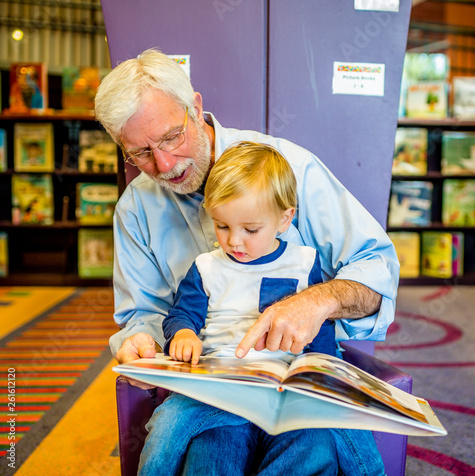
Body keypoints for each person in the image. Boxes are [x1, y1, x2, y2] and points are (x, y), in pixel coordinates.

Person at [94, 48, 399, 475]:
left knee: (316, 450)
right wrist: (141, 342)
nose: (163, 164)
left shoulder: (289, 168)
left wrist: (316, 302)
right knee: (205, 451)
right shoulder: (136, 210)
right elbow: (143, 316)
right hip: (210, 387)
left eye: (170, 138)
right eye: (140, 153)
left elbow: (377, 270)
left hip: (293, 383)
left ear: (195, 108)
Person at [154, 141, 339, 474]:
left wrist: (326, 370)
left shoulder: (302, 263)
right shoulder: (206, 267)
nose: (234, 241)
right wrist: (182, 334)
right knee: (201, 445)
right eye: (222, 226)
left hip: (283, 391)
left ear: (285, 219)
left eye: (250, 230)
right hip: (220, 390)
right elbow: (182, 314)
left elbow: (318, 327)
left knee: (318, 445)